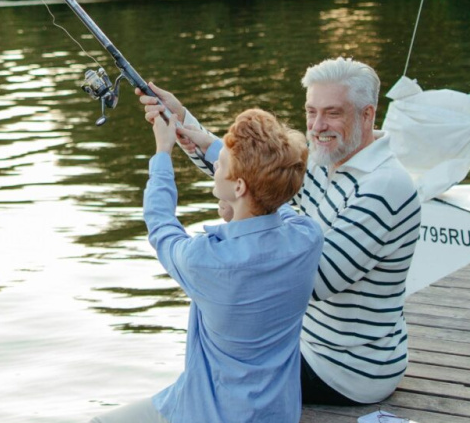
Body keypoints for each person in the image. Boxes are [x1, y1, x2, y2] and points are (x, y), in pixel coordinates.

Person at [138, 57, 421, 406]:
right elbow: (261, 188)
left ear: (367, 114)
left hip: (346, 368)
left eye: (333, 113)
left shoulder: (385, 186)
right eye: (311, 111)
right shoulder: (323, 158)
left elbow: (303, 278)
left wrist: (236, 235)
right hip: (302, 342)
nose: (318, 126)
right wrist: (182, 122)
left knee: (221, 360)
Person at [91, 109, 323, 423]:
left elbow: (161, 228)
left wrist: (162, 151)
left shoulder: (208, 260)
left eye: (221, 163)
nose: (215, 165)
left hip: (208, 413)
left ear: (239, 188)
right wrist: (208, 143)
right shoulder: (307, 239)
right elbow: (275, 202)